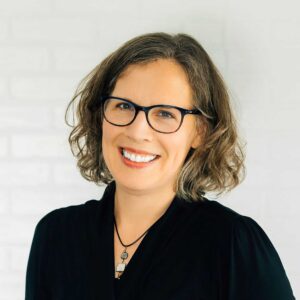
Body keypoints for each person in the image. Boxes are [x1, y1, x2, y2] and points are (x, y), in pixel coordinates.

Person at [25, 32, 296, 300]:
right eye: (123, 106)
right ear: (100, 117)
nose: (137, 130)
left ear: (200, 131)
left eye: (165, 114)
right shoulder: (56, 234)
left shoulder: (233, 243)